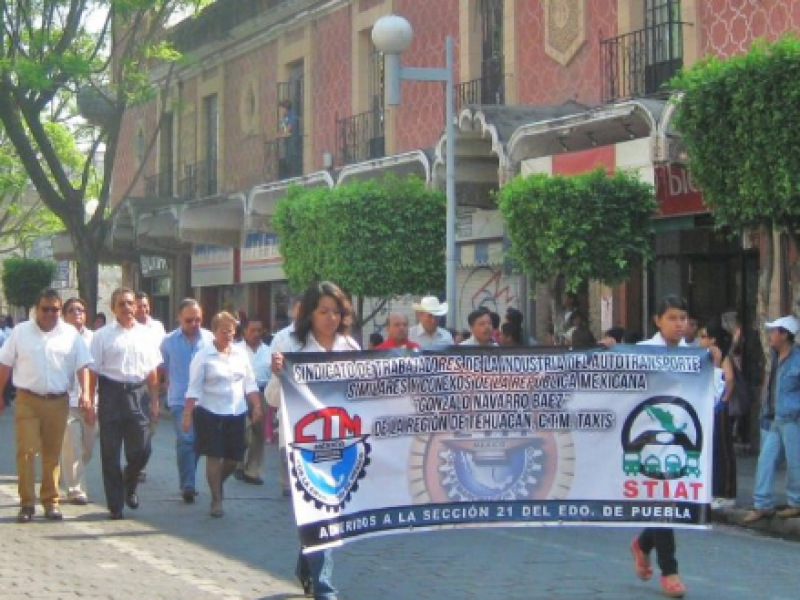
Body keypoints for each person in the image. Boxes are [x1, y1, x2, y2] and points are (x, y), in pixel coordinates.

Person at [268, 281, 360, 600]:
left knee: (325, 514)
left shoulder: (350, 349)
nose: (330, 318)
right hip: (299, 447)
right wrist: (279, 374)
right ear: (310, 313)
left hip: (340, 445)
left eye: (336, 312)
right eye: (323, 311)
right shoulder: (288, 344)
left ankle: (309, 565)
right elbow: (271, 398)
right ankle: (324, 588)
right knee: (318, 512)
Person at [0, 289, 93, 523]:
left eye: (55, 309)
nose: (50, 314)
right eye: (45, 309)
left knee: (52, 454)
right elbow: (5, 363)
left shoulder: (70, 334)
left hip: (58, 401)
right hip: (28, 399)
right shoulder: (21, 332)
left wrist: (86, 394)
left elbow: (83, 365)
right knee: (27, 451)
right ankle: (27, 503)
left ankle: (50, 502)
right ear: (36, 310)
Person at [623, 295, 690, 598]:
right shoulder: (642, 352)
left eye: (683, 318)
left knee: (671, 504)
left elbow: (711, 396)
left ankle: (643, 543)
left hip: (680, 439)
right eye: (673, 318)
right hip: (648, 440)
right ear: (658, 321)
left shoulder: (695, 356)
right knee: (662, 501)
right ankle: (670, 571)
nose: (679, 324)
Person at [90, 288, 162, 520]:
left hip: (137, 393)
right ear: (113, 309)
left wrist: (154, 400)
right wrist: (90, 401)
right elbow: (93, 371)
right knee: (110, 452)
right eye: (122, 304)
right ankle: (115, 504)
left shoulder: (146, 335)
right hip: (111, 393)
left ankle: (129, 484)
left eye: (131, 304)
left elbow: (152, 371)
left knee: (142, 449)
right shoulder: (102, 336)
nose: (127, 308)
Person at [183, 311, 263, 517]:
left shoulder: (240, 354)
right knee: (214, 454)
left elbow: (250, 383)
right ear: (214, 332)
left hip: (236, 411)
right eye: (224, 331)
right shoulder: (203, 356)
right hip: (210, 411)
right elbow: (194, 388)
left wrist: (256, 406)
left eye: (232, 331)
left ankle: (217, 483)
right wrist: (187, 414)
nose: (228, 335)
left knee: (235, 456)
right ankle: (217, 500)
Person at [743, 315, 800, 523]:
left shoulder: (797, 358)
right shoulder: (776, 358)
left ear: (784, 335)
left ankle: (796, 502)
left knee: (795, 462)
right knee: (765, 460)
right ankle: (762, 504)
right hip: (776, 417)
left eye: (774, 332)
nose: (770, 336)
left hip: (793, 417)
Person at [160, 299, 213, 503]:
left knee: (199, 443)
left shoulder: (209, 340)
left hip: (206, 400)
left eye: (197, 319)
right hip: (180, 400)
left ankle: (188, 475)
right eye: (189, 320)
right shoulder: (168, 342)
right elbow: (161, 369)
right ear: (179, 318)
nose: (193, 324)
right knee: (186, 439)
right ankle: (188, 485)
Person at [60, 297, 97, 505]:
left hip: (90, 401)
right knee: (72, 445)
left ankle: (68, 469)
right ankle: (76, 489)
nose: (77, 313)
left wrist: (92, 398)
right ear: (65, 315)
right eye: (72, 310)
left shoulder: (94, 338)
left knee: (87, 447)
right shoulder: (58, 338)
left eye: (81, 310)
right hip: (66, 401)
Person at [697, 323, 737, 510]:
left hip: (719, 407)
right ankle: (714, 489)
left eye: (704, 336)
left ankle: (727, 492)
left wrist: (723, 400)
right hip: (708, 407)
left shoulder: (723, 357)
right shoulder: (704, 356)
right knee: (712, 450)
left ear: (713, 339)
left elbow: (728, 379)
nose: (701, 340)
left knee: (723, 449)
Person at [235, 319, 272, 482]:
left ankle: (253, 470)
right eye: (252, 330)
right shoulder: (235, 350)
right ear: (244, 331)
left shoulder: (269, 351)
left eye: (259, 331)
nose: (256, 334)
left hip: (261, 393)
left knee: (258, 434)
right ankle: (238, 463)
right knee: (242, 432)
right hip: (239, 395)